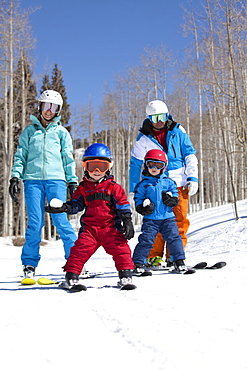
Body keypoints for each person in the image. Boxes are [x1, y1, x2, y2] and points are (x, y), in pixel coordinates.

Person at [45, 143, 135, 289]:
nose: (97, 171)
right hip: (90, 230)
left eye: (102, 166)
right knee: (79, 251)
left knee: (121, 249)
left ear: (109, 167)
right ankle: (71, 277)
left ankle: (125, 276)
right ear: (85, 167)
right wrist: (64, 207)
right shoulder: (82, 188)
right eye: (92, 166)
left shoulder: (114, 187)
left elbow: (122, 205)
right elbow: (76, 205)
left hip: (111, 228)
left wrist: (127, 220)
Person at [9, 90, 78, 280]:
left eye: (53, 107)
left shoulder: (61, 133)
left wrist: (72, 181)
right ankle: (29, 264)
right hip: (32, 181)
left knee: (61, 221)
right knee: (35, 223)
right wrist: (15, 177)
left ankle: (74, 262)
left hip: (56, 180)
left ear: (58, 110)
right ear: (39, 106)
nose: (49, 110)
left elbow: (68, 158)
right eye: (46, 106)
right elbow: (20, 156)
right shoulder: (30, 132)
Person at [129, 99, 198, 267]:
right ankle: (154, 256)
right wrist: (133, 189)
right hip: (154, 186)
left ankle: (175, 256)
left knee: (179, 220)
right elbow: (135, 164)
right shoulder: (143, 138)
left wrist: (193, 177)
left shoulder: (178, 130)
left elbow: (189, 153)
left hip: (179, 183)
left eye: (161, 116)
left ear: (167, 115)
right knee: (156, 221)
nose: (158, 121)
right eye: (154, 118)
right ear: (148, 119)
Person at [132, 149, 187, 274]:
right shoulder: (143, 185)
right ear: (146, 165)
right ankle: (138, 263)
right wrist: (142, 208)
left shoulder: (169, 182)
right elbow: (138, 199)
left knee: (174, 238)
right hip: (151, 219)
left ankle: (179, 261)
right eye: (151, 164)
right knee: (146, 240)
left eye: (158, 165)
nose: (154, 168)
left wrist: (172, 200)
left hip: (168, 218)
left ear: (164, 167)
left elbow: (175, 195)